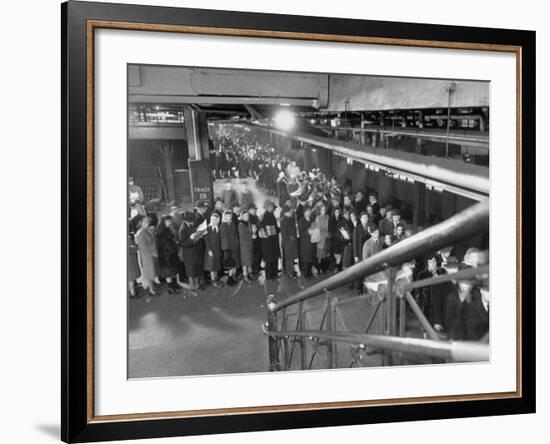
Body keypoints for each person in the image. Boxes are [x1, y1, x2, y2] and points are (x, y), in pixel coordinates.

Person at [178, 211, 205, 291]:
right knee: (191, 271)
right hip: (189, 253)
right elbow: (183, 243)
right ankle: (192, 286)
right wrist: (191, 239)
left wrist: (200, 235)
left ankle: (197, 285)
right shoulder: (183, 229)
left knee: (196, 269)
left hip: (196, 250)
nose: (193, 221)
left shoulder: (193, 225)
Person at [155, 215, 181, 295]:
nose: (170, 222)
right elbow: (165, 244)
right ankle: (170, 288)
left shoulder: (167, 229)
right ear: (164, 222)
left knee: (173, 270)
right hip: (165, 255)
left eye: (170, 221)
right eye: (168, 221)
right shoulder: (161, 231)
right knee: (168, 272)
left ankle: (174, 284)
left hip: (171, 253)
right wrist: (173, 246)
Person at [134, 216, 157, 296]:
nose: (148, 224)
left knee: (151, 271)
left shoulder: (145, 230)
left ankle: (152, 287)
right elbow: (143, 246)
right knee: (149, 272)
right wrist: (152, 251)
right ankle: (151, 290)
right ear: (142, 223)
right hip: (146, 255)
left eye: (148, 223)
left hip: (148, 254)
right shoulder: (141, 233)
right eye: (146, 222)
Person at [259, 201, 280, 280]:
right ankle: (269, 275)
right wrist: (277, 230)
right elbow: (264, 230)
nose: (273, 209)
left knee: (274, 258)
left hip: (273, 241)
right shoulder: (265, 217)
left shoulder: (271, 216)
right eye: (272, 207)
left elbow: (274, 228)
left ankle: (274, 273)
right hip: (268, 243)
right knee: (269, 259)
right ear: (268, 208)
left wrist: (277, 230)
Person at [220, 209, 240, 286]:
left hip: (234, 247)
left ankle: (233, 277)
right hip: (228, 248)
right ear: (224, 217)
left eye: (230, 216)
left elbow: (235, 235)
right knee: (229, 264)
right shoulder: (223, 225)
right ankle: (229, 278)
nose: (229, 217)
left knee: (234, 263)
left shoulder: (232, 224)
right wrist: (226, 248)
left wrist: (236, 244)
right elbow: (223, 237)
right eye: (227, 216)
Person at [203, 213, 224, 288]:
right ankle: (213, 280)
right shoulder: (208, 228)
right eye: (212, 219)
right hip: (211, 250)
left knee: (216, 265)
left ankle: (216, 278)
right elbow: (206, 240)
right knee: (211, 266)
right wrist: (209, 250)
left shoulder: (217, 228)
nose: (214, 221)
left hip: (217, 250)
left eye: (215, 220)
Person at [280, 205, 298, 278]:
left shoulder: (291, 218)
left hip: (292, 242)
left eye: (290, 211)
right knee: (288, 258)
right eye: (288, 211)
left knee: (292, 258)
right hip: (287, 243)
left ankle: (292, 271)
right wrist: (291, 238)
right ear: (285, 213)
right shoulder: (283, 220)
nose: (290, 212)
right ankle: (289, 272)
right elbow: (284, 233)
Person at [298, 207, 315, 278]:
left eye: (309, 211)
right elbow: (300, 233)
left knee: (311, 257)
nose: (309, 213)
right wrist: (308, 232)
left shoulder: (312, 220)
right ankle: (306, 274)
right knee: (306, 259)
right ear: (304, 212)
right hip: (305, 243)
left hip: (312, 241)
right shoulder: (301, 221)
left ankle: (310, 272)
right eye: (307, 212)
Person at [238, 211, 255, 281]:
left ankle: (249, 273)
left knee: (249, 260)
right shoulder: (241, 225)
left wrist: (254, 232)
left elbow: (251, 232)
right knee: (245, 261)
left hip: (250, 244)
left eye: (247, 216)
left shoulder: (249, 223)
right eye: (245, 216)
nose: (247, 217)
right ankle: (245, 275)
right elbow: (242, 236)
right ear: (242, 216)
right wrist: (251, 236)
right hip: (244, 245)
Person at [315, 205, 330, 274]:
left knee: (326, 254)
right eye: (322, 209)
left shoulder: (327, 217)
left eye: (324, 209)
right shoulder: (318, 218)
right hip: (321, 239)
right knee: (320, 255)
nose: (324, 211)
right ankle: (319, 269)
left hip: (327, 238)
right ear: (320, 211)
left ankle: (325, 269)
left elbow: (329, 227)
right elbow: (318, 229)